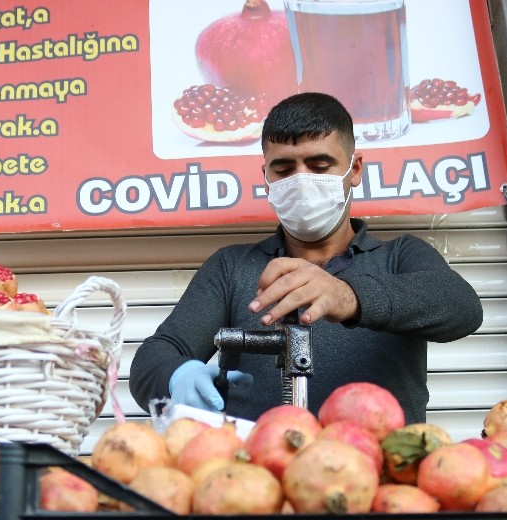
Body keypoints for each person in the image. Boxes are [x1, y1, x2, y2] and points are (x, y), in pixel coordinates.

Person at [129, 92, 483, 424]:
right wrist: (177, 376)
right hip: (258, 481)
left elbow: (462, 308)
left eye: (319, 165)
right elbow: (157, 354)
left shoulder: (401, 256)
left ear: (355, 169)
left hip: (381, 479)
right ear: (266, 177)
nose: (301, 181)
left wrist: (347, 296)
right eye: (283, 169)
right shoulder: (230, 268)